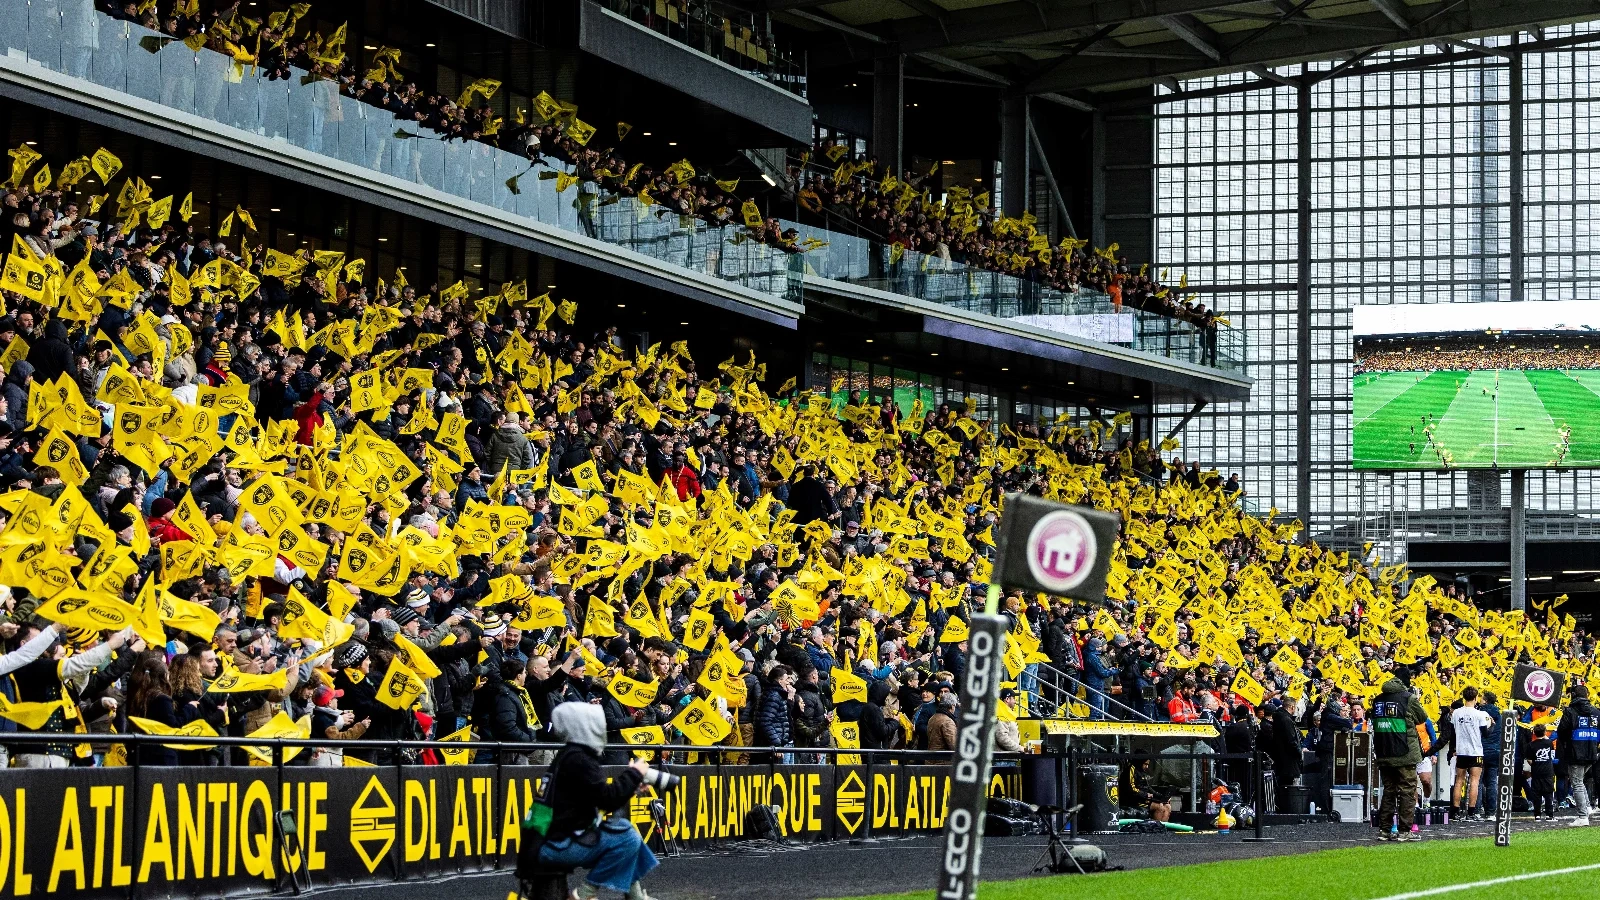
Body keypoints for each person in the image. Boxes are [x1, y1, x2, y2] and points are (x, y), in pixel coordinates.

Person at [531, 702, 658, 900]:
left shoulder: (571, 755)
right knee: (628, 838)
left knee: (624, 829)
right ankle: (583, 894)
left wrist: (630, 787)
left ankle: (636, 897)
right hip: (553, 845)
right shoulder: (579, 759)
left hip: (550, 838)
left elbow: (597, 798)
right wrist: (634, 774)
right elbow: (607, 800)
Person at [1371, 670, 1428, 841]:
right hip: (1405, 753)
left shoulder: (1378, 700)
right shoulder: (1408, 698)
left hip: (1384, 752)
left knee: (1389, 791)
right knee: (1407, 791)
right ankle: (1405, 831)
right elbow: (1422, 718)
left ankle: (1384, 830)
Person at [1555, 683, 1597, 825]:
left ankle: (1583, 816)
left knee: (1577, 782)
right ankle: (1587, 808)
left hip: (1575, 752)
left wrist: (1567, 744)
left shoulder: (1570, 711)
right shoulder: (1596, 712)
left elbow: (1561, 731)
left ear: (1573, 695)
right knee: (1581, 780)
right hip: (1592, 752)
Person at [1448, 686, 1493, 819]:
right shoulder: (1480, 714)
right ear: (1475, 698)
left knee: (1459, 781)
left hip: (1461, 750)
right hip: (1475, 751)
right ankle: (1471, 812)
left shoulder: (1456, 713)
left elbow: (1452, 732)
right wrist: (1493, 724)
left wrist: (1454, 749)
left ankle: (1455, 812)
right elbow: (1486, 734)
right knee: (1474, 781)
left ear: (1463, 697)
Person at [1529, 723, 1558, 820]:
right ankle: (1550, 815)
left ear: (1534, 733)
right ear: (1545, 732)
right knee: (1548, 793)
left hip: (1536, 772)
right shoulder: (1549, 743)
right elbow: (1552, 755)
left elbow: (1529, 760)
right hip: (1548, 771)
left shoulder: (1531, 745)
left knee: (1536, 794)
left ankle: (1537, 815)